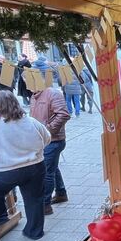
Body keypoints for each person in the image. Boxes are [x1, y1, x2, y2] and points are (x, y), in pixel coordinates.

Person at [0, 91, 50, 240]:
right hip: (35, 167)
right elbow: (47, 138)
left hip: (6, 171)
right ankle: (34, 231)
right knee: (35, 199)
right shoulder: (30, 121)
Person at [29, 81, 70, 214]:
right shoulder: (34, 96)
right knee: (52, 167)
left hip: (53, 140)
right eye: (24, 80)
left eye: (27, 79)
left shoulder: (52, 93)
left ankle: (45, 204)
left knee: (46, 172)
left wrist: (48, 130)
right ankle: (61, 193)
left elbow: (63, 114)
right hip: (43, 140)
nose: (25, 83)